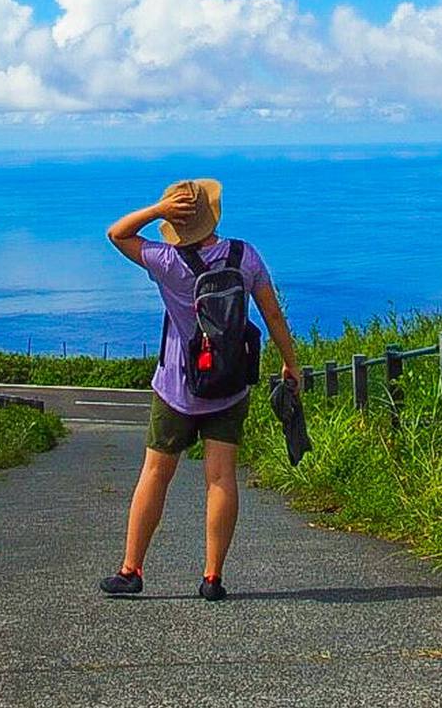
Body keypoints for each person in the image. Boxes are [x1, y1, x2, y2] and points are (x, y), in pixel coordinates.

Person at [100, 178, 301, 601]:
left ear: (176, 222)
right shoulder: (244, 256)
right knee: (221, 477)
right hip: (229, 384)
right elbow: (273, 317)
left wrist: (157, 210)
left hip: (176, 385)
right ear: (213, 214)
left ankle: (131, 570)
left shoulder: (166, 260)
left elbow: (116, 233)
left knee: (156, 473)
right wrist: (290, 364)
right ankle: (212, 578)